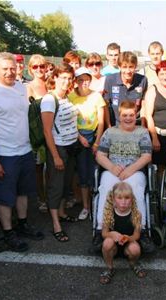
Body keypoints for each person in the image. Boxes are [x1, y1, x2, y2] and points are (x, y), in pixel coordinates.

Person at [0, 52, 44, 253]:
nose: (9, 72)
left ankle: (22, 224)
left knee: (23, 192)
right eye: (5, 69)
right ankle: (8, 233)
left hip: (25, 151)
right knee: (6, 197)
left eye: (12, 68)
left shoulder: (20, 87)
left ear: (17, 69)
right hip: (4, 154)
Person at [94, 101, 155, 253]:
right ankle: (100, 229)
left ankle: (142, 230)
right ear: (119, 116)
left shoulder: (143, 132)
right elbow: (100, 155)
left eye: (131, 115)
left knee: (136, 190)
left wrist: (131, 169)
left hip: (134, 171)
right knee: (106, 187)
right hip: (112, 170)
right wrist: (112, 167)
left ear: (136, 115)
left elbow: (147, 156)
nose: (128, 118)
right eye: (124, 115)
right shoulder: (110, 132)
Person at [41, 64, 79, 242]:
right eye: (63, 77)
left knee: (65, 184)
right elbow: (47, 131)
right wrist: (55, 156)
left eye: (69, 78)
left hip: (71, 146)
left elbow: (71, 123)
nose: (66, 81)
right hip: (59, 148)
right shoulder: (49, 100)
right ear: (55, 77)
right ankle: (56, 224)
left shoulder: (67, 98)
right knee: (55, 186)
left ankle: (62, 213)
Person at [68, 67, 105, 220]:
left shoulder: (96, 96)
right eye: (80, 80)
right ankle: (85, 206)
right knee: (82, 174)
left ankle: (98, 205)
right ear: (75, 81)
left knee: (95, 173)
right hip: (78, 137)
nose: (84, 83)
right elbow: (68, 121)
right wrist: (79, 137)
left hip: (94, 136)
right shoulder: (70, 96)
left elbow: (101, 121)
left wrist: (97, 142)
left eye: (87, 79)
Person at [99, 182, 146, 284]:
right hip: (113, 245)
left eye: (127, 198)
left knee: (135, 249)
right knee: (107, 243)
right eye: (119, 198)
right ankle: (109, 268)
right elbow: (104, 233)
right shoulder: (109, 212)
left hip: (128, 244)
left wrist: (128, 238)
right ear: (113, 199)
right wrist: (112, 234)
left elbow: (137, 235)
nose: (123, 202)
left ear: (132, 199)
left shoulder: (136, 214)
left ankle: (133, 263)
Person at [26, 54, 49, 213]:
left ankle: (53, 197)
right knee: (39, 169)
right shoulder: (28, 87)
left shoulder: (51, 84)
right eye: (35, 67)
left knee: (54, 168)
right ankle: (42, 199)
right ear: (30, 69)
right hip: (38, 136)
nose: (39, 69)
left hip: (54, 133)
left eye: (42, 66)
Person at [103, 51, 148, 127]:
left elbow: (143, 105)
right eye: (124, 67)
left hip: (136, 125)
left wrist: (143, 127)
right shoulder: (110, 80)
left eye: (131, 67)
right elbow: (106, 105)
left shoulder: (143, 80)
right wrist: (109, 126)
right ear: (119, 67)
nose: (128, 71)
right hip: (116, 125)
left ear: (135, 66)